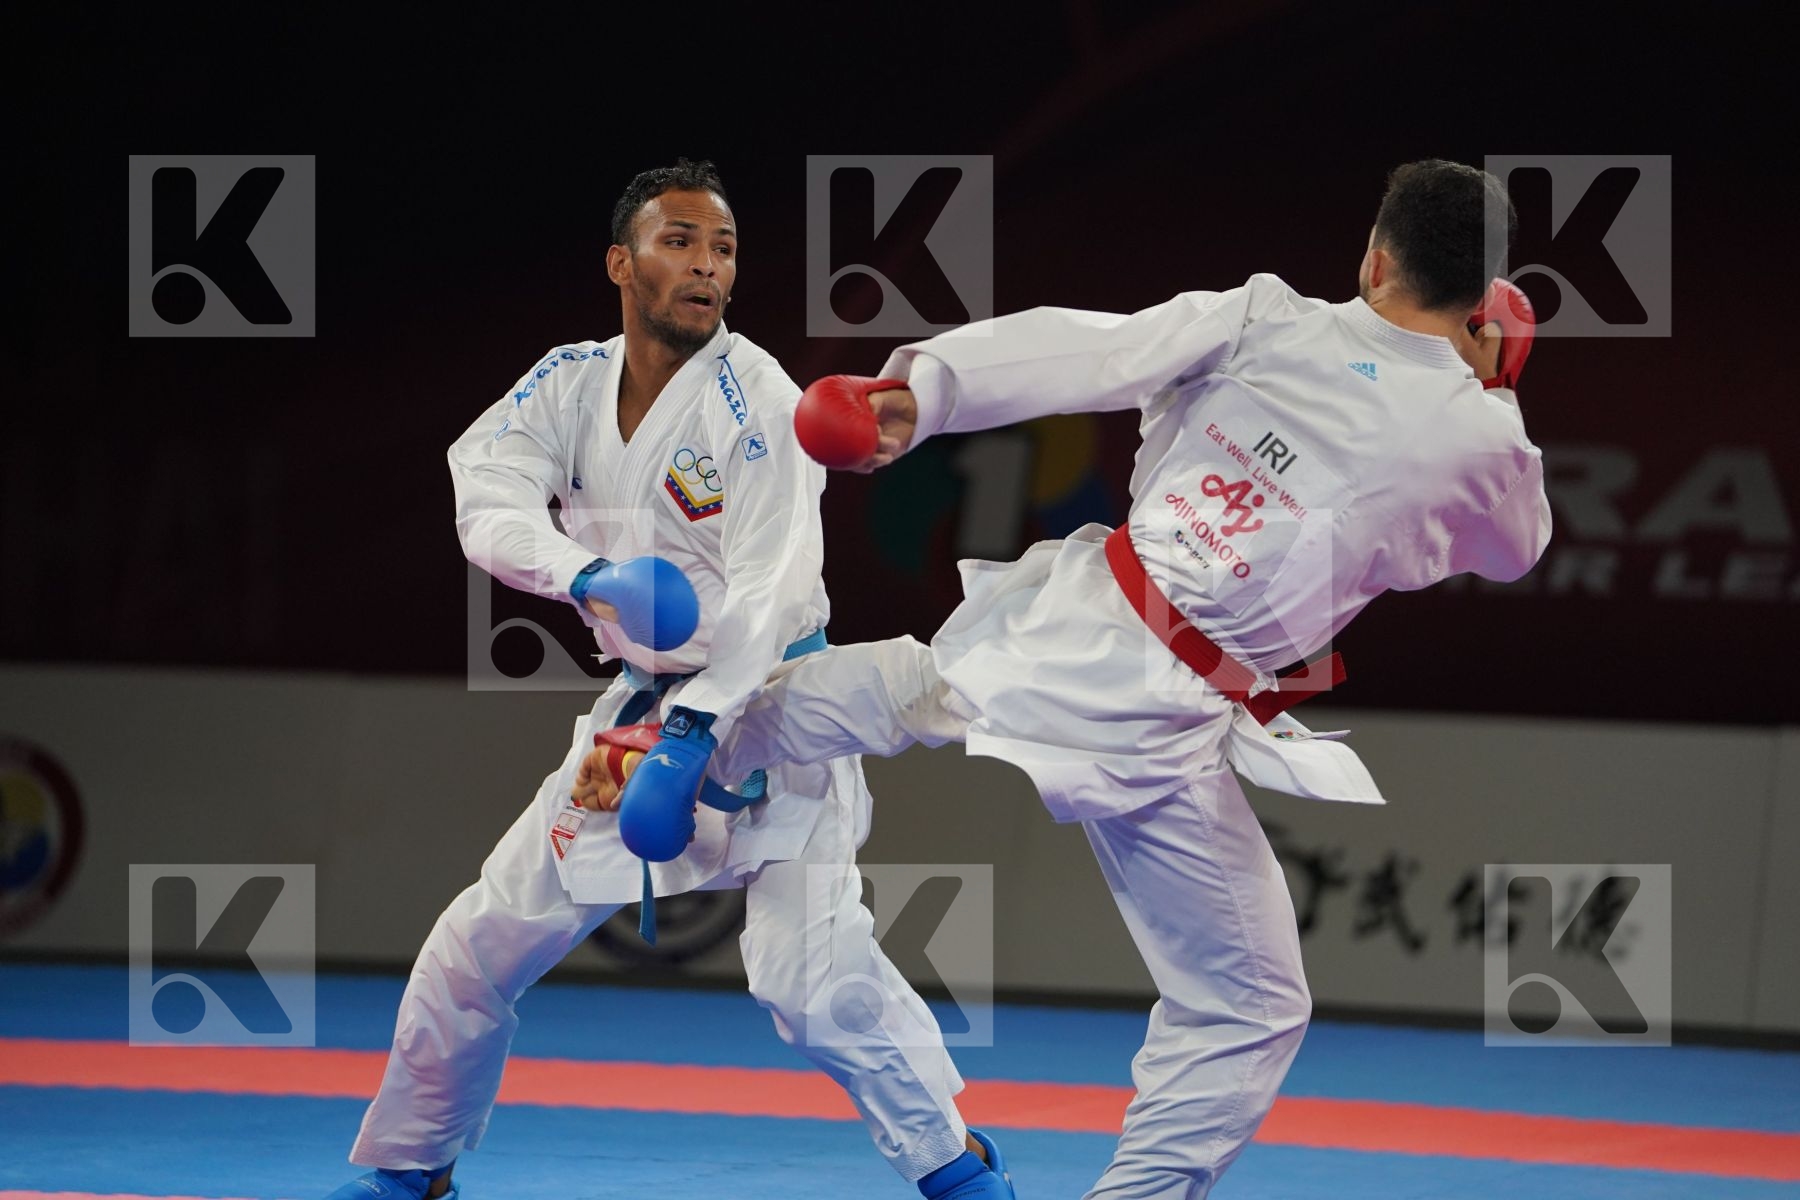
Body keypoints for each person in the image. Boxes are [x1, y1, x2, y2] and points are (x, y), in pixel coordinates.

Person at [594, 159, 1551, 1198]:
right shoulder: (1479, 435)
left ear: (1373, 258)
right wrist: (1491, 382)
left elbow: (1089, 347)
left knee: (928, 685)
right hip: (1163, 705)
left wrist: (916, 394)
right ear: (1485, 300)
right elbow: (1516, 548)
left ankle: (705, 730)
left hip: (1095, 604)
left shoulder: (1265, 318)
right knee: (1247, 1005)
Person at [326, 160, 1011, 1200]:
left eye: (724, 248)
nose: (706, 265)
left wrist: (693, 732)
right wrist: (586, 574)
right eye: (680, 240)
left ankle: (956, 1171)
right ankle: (408, 1168)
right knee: (479, 941)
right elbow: (487, 495)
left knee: (811, 981)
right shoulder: (565, 381)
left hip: (774, 708)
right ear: (622, 262)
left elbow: (773, 590)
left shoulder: (758, 400)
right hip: (638, 717)